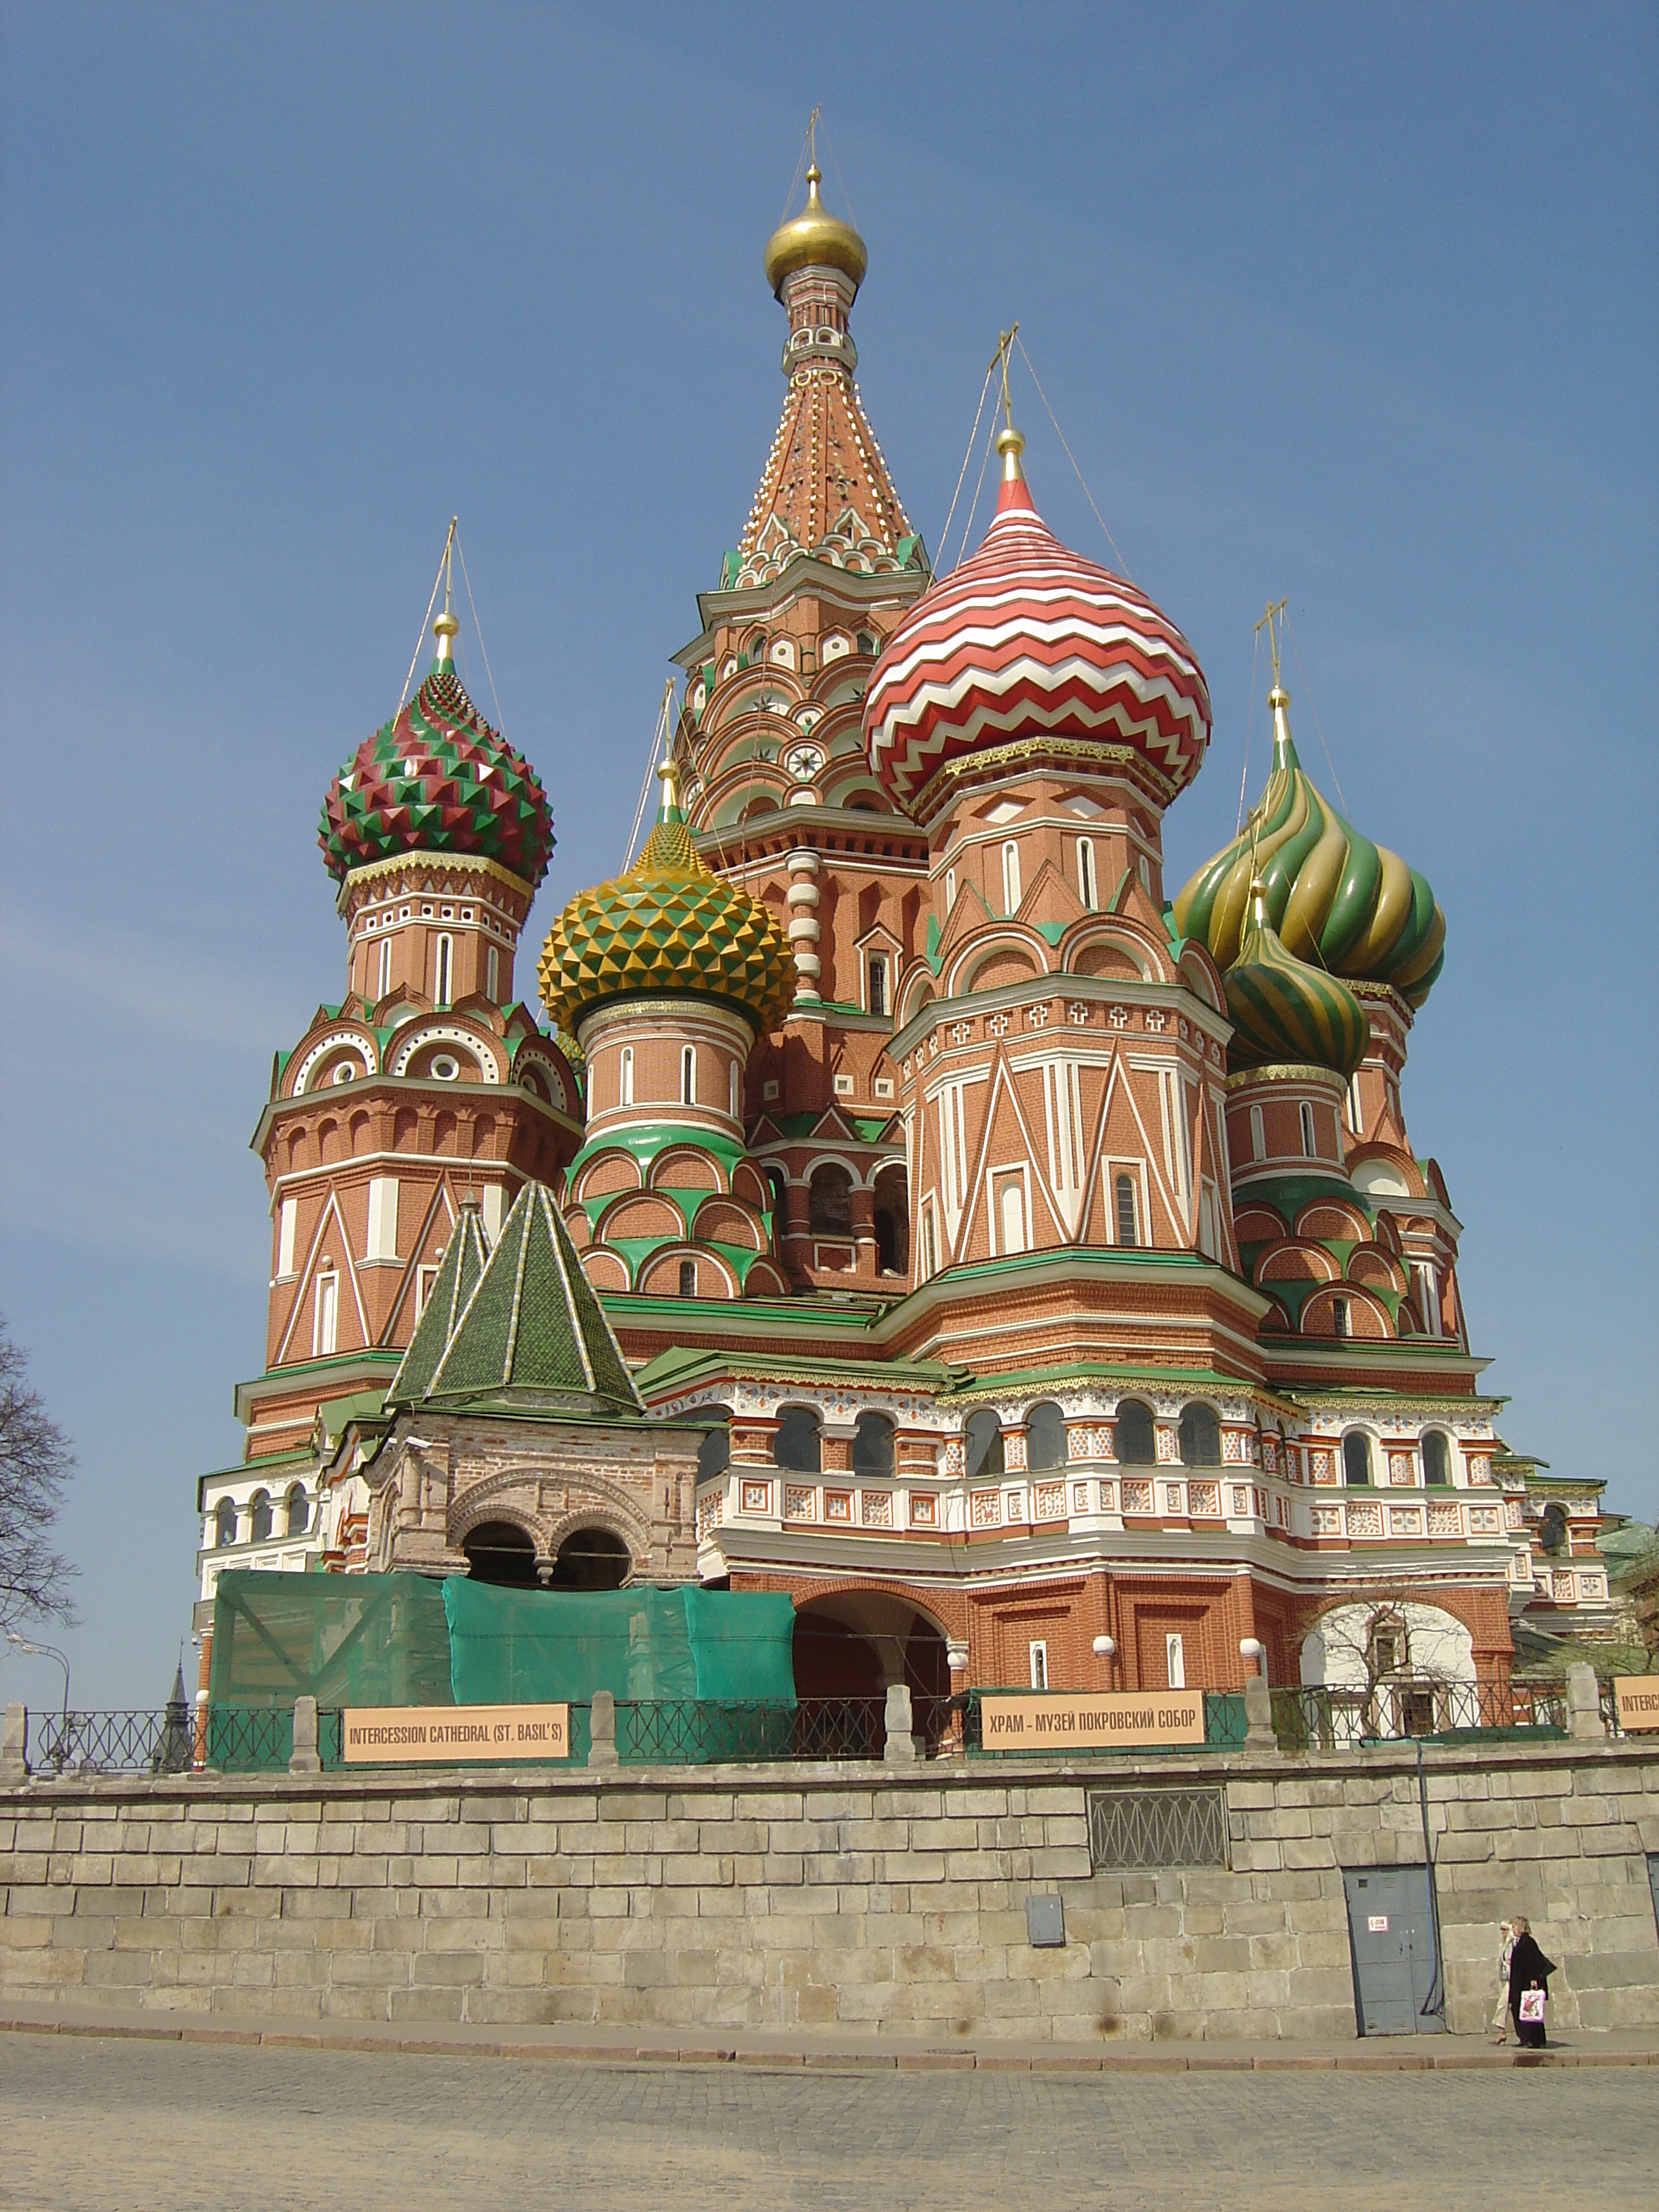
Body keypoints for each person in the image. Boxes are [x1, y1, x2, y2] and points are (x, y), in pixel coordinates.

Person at [1507, 1915, 1556, 2049]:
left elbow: (1533, 1961)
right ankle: (1529, 2038)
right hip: (1521, 1983)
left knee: (1529, 2012)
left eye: (1515, 1926)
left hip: (1525, 1984)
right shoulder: (1521, 1942)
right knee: (1526, 2011)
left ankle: (1532, 2039)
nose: (1513, 1929)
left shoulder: (1527, 1942)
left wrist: (1533, 1979)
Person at [1492, 1919, 1516, 2043]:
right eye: (1501, 1929)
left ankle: (1502, 2031)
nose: (1502, 1932)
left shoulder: (1513, 1943)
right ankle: (1501, 2031)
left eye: (1505, 1929)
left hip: (1514, 1979)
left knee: (1504, 2004)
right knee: (1505, 2004)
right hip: (1508, 1979)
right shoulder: (1503, 1944)